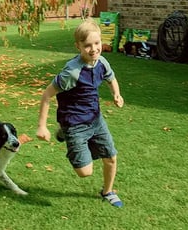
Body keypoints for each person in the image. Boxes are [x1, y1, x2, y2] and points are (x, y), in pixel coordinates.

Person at [36, 18, 124, 208]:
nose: (93, 49)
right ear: (78, 46)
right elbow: (47, 95)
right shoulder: (72, 72)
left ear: (101, 41)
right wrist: (42, 126)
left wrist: (116, 94)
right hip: (74, 123)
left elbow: (111, 78)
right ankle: (66, 134)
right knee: (85, 172)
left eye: (97, 43)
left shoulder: (102, 62)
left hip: (95, 119)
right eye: (87, 46)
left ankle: (107, 191)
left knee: (111, 157)